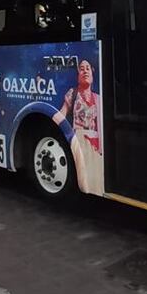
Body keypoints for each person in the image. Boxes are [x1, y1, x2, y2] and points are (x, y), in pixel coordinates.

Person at [53, 59, 103, 195]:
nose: (85, 71)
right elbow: (61, 115)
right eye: (81, 68)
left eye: (87, 68)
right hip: (79, 142)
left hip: (95, 146)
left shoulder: (98, 99)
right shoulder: (73, 94)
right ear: (78, 75)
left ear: (92, 74)